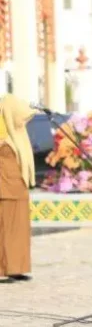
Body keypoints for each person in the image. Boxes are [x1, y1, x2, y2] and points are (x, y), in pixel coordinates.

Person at [0, 95, 37, 283]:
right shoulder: (3, 136)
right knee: (4, 230)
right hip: (5, 191)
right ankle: (2, 269)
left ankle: (17, 268)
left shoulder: (18, 134)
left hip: (18, 190)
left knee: (19, 231)